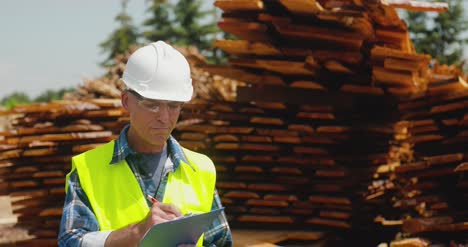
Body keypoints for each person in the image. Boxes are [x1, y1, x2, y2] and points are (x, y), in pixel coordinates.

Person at [58, 41, 232, 247]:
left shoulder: (201, 170)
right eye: (152, 105)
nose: (164, 118)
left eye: (174, 106)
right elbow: (71, 242)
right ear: (126, 101)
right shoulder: (89, 169)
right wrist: (137, 232)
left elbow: (220, 243)